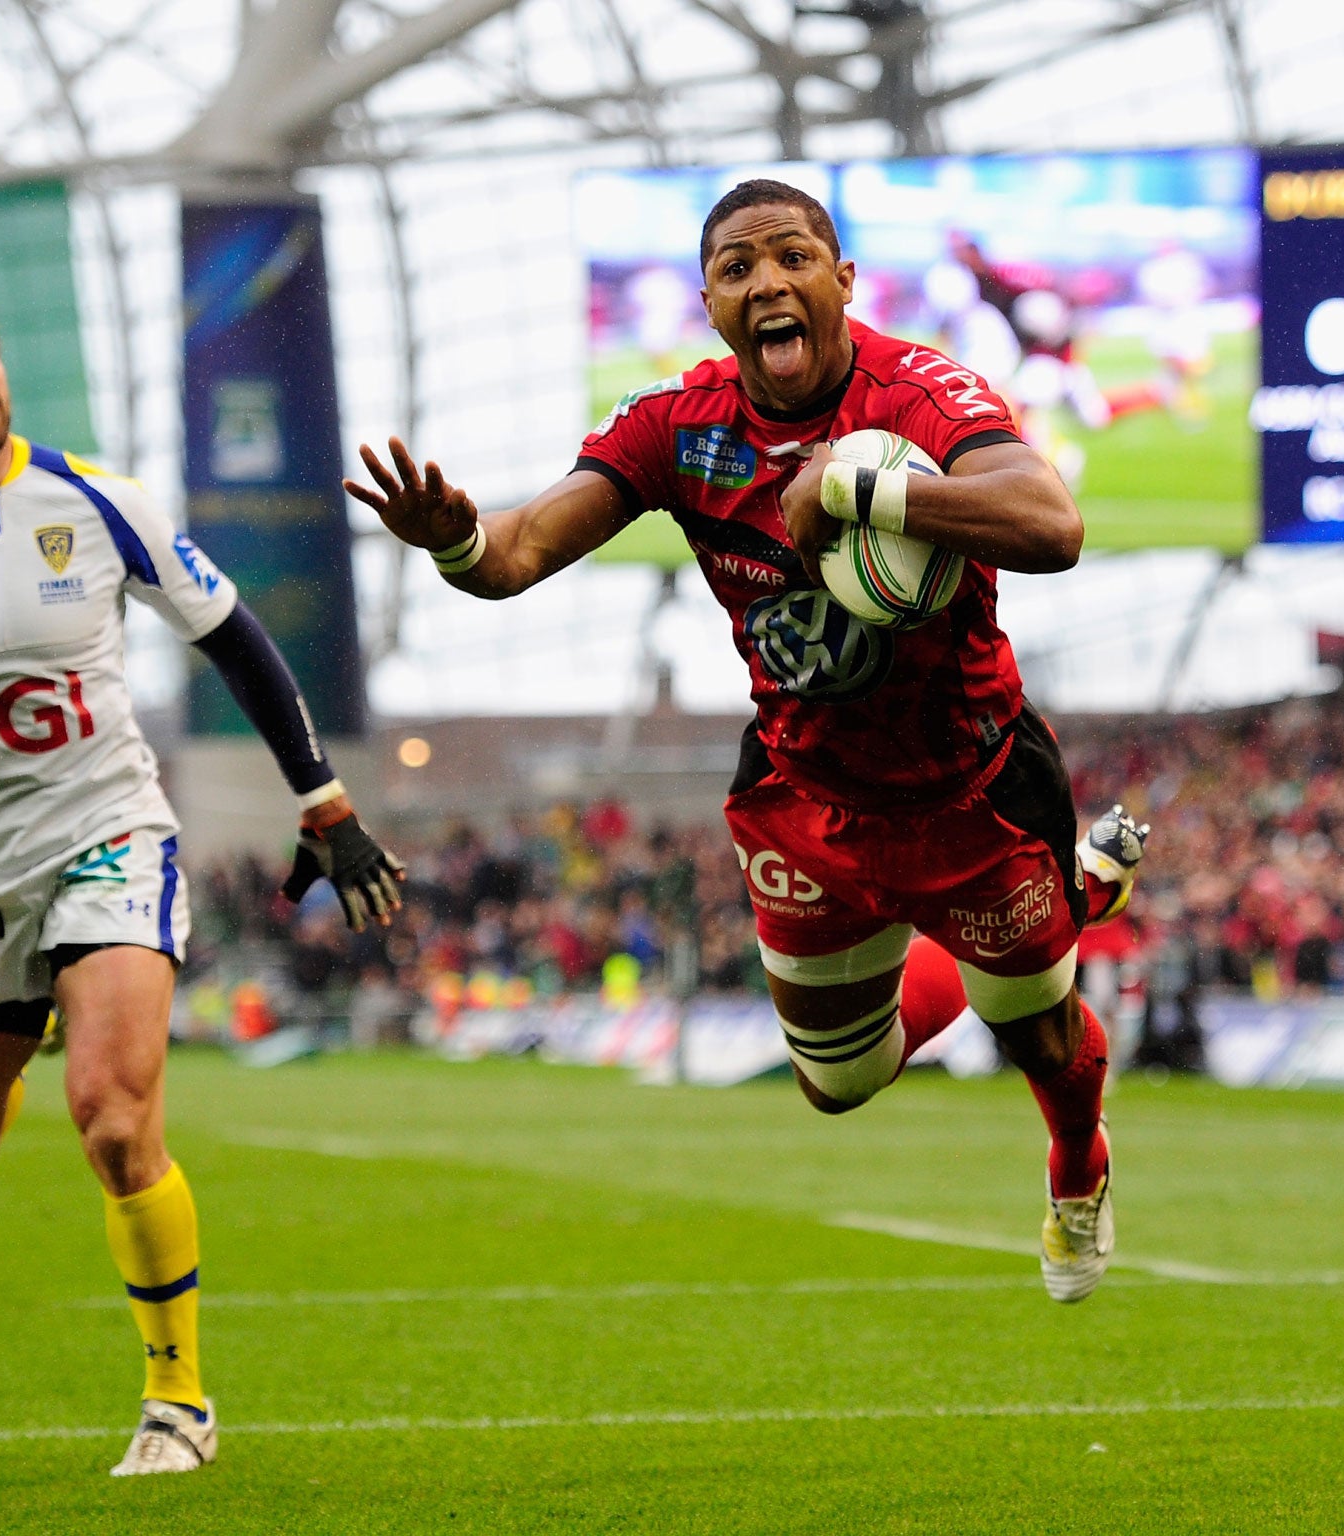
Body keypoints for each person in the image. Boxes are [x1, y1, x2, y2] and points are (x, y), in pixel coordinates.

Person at [350, 180, 1146, 1303]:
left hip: (970, 791)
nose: (767, 282)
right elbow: (516, 552)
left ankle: (1078, 1166)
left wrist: (863, 489)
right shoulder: (677, 425)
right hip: (804, 797)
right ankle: (1068, 903)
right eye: (737, 268)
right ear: (712, 304)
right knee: (838, 1082)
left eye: (791, 258)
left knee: (1040, 1035)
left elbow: (1052, 526)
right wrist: (455, 540)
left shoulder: (920, 391)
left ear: (842, 282)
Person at [0, 283, 401, 1477]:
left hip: (108, 841)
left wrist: (322, 796)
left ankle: (177, 1401)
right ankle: (28, 1016)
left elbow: (234, 636)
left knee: (117, 1122)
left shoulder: (93, 500)